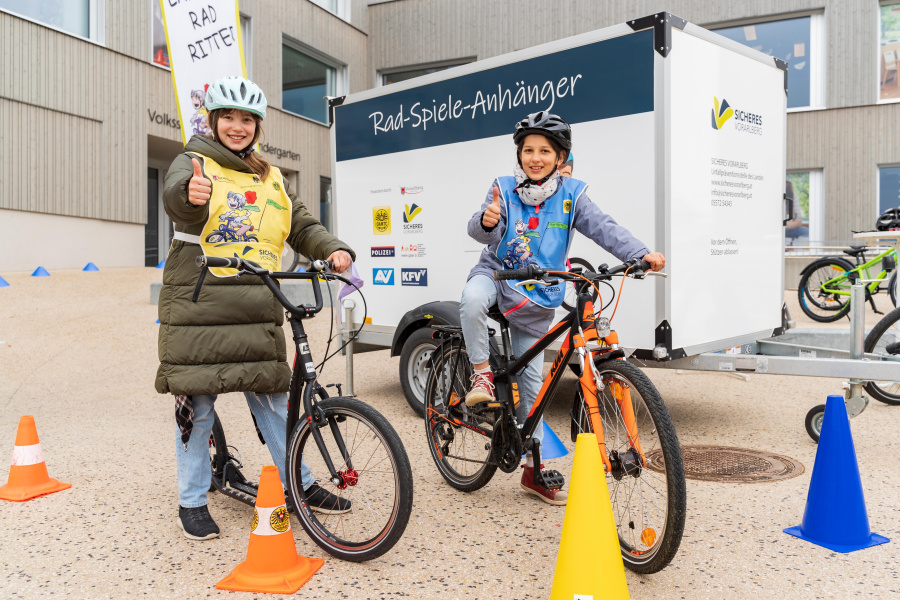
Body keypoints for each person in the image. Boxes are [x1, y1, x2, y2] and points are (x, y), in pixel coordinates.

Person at [156, 75, 356, 540]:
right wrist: (190, 196)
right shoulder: (193, 161)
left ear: (258, 126)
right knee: (198, 407)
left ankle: (300, 484)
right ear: (214, 120)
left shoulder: (270, 175)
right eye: (229, 116)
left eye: (247, 119)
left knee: (274, 403)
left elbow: (299, 223)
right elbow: (177, 199)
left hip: (257, 302)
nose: (238, 126)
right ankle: (192, 501)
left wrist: (331, 247)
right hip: (199, 303)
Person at [460, 111, 665, 505]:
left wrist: (640, 254)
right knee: (470, 301)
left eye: (545, 151)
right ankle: (482, 375)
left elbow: (604, 227)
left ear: (559, 156)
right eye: (528, 150)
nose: (535, 158)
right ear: (519, 155)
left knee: (532, 389)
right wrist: (486, 222)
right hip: (497, 273)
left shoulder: (572, 194)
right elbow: (480, 230)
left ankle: (533, 470)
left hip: (538, 293)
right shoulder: (503, 187)